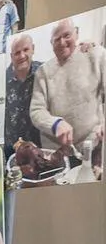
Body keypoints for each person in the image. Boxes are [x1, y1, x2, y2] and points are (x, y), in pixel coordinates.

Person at [29, 16, 106, 166]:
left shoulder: (96, 55)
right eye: (57, 39)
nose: (62, 42)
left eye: (67, 35)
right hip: (58, 156)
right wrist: (55, 124)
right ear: (51, 43)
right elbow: (36, 111)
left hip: (95, 147)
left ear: (76, 33)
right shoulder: (43, 72)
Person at [2, 31, 42, 151]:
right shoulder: (2, 79)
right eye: (17, 53)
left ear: (33, 49)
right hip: (12, 150)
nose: (22, 56)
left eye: (26, 50)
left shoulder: (44, 71)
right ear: (11, 56)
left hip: (40, 148)